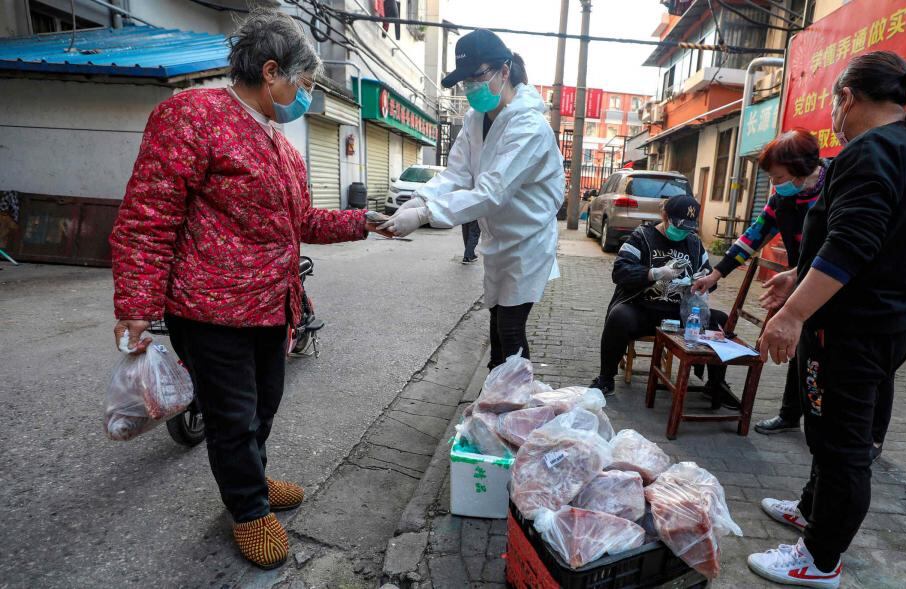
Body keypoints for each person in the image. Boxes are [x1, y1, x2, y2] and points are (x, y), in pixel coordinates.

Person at [109, 10, 391, 570]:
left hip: (271, 304)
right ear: (270, 71)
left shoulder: (282, 147)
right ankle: (247, 509)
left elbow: (301, 221)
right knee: (232, 415)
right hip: (210, 308)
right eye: (303, 85)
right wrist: (137, 304)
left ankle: (252, 477)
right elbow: (149, 215)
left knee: (264, 403)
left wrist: (368, 221)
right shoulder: (191, 115)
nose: (304, 97)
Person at [746, 51, 906, 587]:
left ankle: (818, 559)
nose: (835, 116)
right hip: (885, 323)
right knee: (830, 434)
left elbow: (852, 242)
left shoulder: (872, 151)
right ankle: (811, 508)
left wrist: (792, 316)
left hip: (851, 333)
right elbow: (873, 243)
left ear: (847, 98)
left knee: (842, 447)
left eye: (837, 103)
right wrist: (799, 274)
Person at [381, 29, 564, 369]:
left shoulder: (530, 127)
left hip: (527, 242)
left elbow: (492, 192)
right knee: (497, 325)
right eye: (465, 82)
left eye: (476, 77)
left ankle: (512, 404)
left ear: (504, 71)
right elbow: (456, 175)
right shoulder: (475, 119)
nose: (470, 89)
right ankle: (499, 399)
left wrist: (425, 215)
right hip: (497, 241)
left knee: (510, 330)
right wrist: (419, 199)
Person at [692, 129, 828, 435]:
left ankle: (864, 434)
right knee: (801, 346)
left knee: (832, 356)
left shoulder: (836, 188)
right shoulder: (783, 198)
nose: (774, 185)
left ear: (801, 170)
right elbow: (755, 234)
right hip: (801, 278)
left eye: (778, 177)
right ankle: (791, 413)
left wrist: (798, 275)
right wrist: (717, 273)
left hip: (833, 281)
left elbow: (841, 246)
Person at [589, 194, 737, 408]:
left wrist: (701, 281)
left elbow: (710, 280)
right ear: (664, 216)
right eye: (679, 226)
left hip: (682, 313)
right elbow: (620, 272)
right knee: (619, 316)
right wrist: (654, 273)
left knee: (721, 321)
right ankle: (605, 378)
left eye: (688, 228)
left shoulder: (694, 243)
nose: (683, 233)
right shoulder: (641, 237)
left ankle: (715, 384)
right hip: (644, 310)